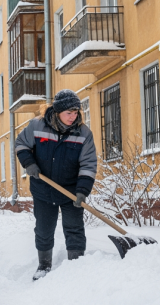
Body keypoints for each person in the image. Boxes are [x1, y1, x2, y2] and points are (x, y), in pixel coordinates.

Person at [15, 89, 97, 281]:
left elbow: (88, 163)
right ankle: (44, 266)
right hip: (43, 188)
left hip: (70, 190)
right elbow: (21, 144)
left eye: (76, 112)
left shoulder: (83, 133)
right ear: (57, 111)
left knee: (74, 227)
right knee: (44, 229)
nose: (73, 117)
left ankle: (76, 265)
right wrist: (29, 163)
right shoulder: (37, 126)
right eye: (69, 112)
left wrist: (82, 191)